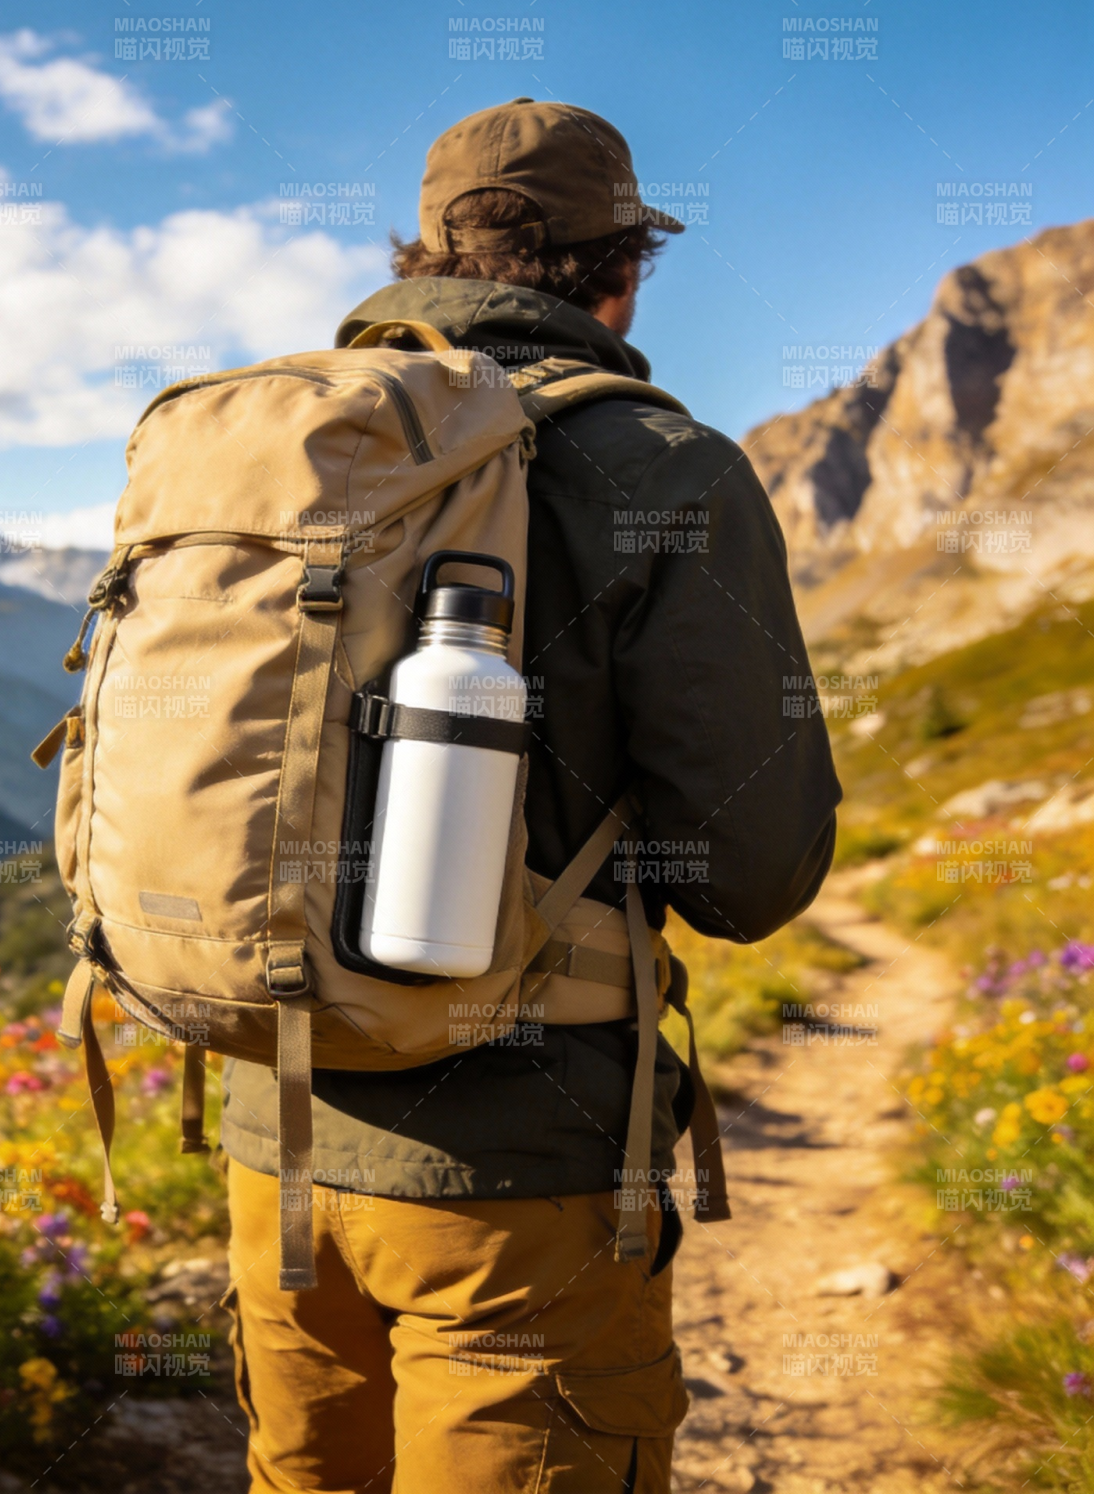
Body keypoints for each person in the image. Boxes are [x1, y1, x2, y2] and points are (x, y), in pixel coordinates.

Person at [216, 99, 842, 1493]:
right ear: (620, 271)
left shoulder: (286, 443)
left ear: (427, 254)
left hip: (277, 1147)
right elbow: (749, 874)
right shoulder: (668, 472)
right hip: (524, 1181)